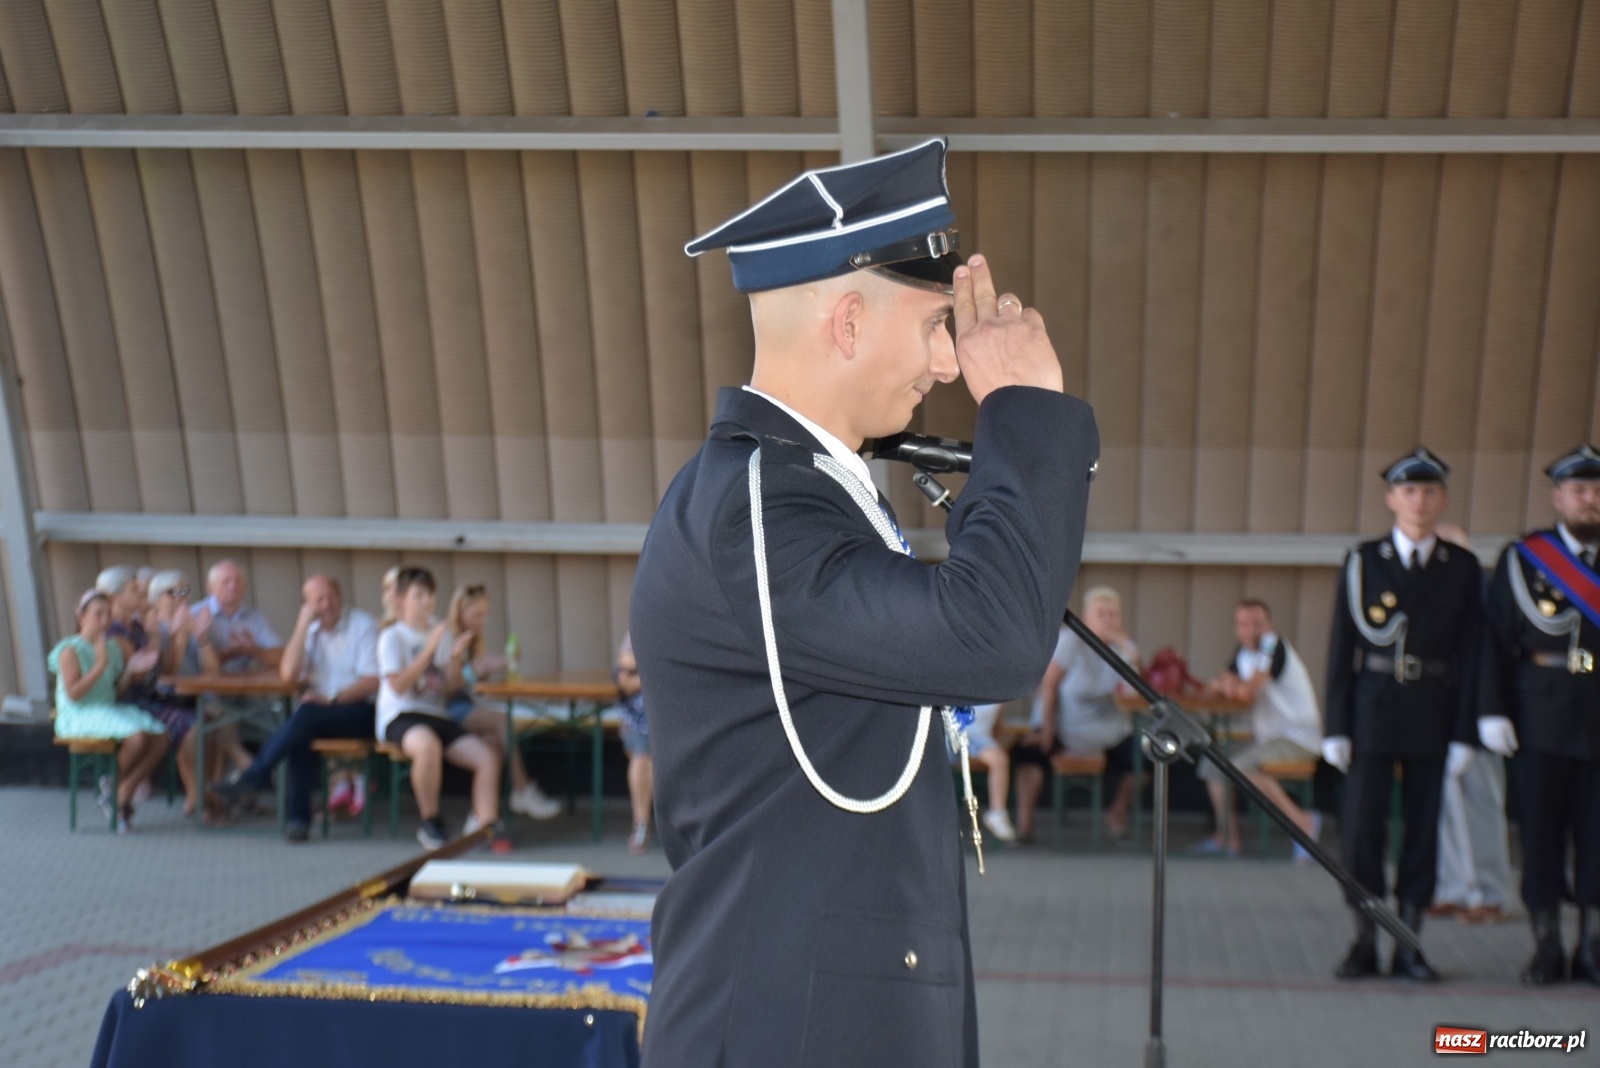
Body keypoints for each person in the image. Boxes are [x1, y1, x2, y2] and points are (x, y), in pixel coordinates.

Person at [630, 140, 1098, 1067]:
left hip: (831, 1004)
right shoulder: (758, 504)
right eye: (936, 326)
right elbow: (990, 639)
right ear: (848, 322)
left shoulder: (808, 490)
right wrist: (1023, 412)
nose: (951, 364)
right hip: (786, 1020)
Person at [1323, 447, 1482, 982]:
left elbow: (1472, 654)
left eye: (1430, 491)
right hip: (1372, 707)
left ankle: (1409, 943)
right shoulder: (1363, 561)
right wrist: (1336, 726)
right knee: (1362, 832)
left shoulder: (1461, 567)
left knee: (1422, 831)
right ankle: (1365, 940)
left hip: (1433, 709)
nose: (1419, 500)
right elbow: (1340, 648)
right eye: (1409, 491)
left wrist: (1467, 733)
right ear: (1391, 499)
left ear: (1444, 500)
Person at [1479, 444, 1600, 984]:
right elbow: (1494, 640)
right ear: (1558, 497)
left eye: (1597, 491)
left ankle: (1592, 944)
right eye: (1579, 490)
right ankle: (1547, 943)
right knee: (1541, 835)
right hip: (1539, 717)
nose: (1590, 499)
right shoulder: (1524, 558)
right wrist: (1492, 711)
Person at [211, 575, 381, 841]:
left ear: (341, 597)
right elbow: (289, 674)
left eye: (330, 598)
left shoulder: (362, 625)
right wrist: (302, 625)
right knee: (301, 733)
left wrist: (332, 700)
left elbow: (372, 680)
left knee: (306, 715)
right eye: (318, 600)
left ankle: (257, 773)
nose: (326, 605)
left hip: (360, 712)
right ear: (308, 604)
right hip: (321, 715)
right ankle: (298, 822)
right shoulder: (310, 630)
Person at [377, 567, 501, 850]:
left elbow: (449, 687)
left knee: (486, 755)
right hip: (401, 715)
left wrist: (455, 657)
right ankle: (431, 821)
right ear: (401, 600)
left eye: (430, 595)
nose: (426, 602)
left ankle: (486, 825)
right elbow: (398, 685)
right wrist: (429, 648)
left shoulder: (440, 633)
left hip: (436, 714)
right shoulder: (392, 637)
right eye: (418, 595)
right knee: (427, 745)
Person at [1428, 525, 1514, 926]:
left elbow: (1490, 658)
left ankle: (1490, 894)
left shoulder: (1485, 590)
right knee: (1445, 806)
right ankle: (1453, 889)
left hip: (1479, 712)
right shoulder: (1437, 592)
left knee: (1481, 804)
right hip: (1442, 711)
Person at [1196, 598, 1323, 857]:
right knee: (1212, 764)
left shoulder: (1272, 645)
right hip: (1269, 738)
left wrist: (1230, 686)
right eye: (1244, 624)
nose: (1250, 629)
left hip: (1299, 737)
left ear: (1269, 625)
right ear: (1236, 628)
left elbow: (1247, 693)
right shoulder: (1244, 652)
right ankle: (1227, 838)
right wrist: (1226, 684)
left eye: (1257, 623)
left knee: (1243, 767)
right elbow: (1217, 683)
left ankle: (1304, 823)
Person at [1012, 588, 1140, 844]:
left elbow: (1136, 692)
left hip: (1107, 729)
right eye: (1100, 614)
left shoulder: (1123, 649)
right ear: (1086, 617)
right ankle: (1024, 827)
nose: (1107, 620)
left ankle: (1116, 816)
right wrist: (1046, 731)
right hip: (1063, 726)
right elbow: (1048, 686)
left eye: (1112, 615)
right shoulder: (1070, 641)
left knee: (1143, 760)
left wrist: (1129, 651)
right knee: (1028, 755)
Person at [50, 590, 169, 832]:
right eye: (97, 615)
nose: (104, 621)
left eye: (108, 615)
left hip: (107, 708)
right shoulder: (70, 649)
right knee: (136, 736)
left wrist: (129, 671)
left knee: (160, 736)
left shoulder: (114, 647)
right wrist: (100, 664)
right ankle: (112, 786)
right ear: (81, 616)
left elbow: (116, 689)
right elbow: (74, 693)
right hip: (79, 713)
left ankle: (120, 793)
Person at [442, 584, 560, 821]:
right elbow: (447, 687)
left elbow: (472, 680)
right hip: (446, 709)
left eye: (484, 614)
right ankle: (522, 789)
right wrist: (476, 672)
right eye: (476, 614)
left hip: (466, 705)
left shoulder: (474, 640)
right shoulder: (447, 637)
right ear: (459, 612)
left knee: (494, 742)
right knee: (501, 721)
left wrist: (491, 668)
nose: (481, 620)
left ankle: (481, 816)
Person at [192, 559, 283, 776]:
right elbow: (199, 671)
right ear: (210, 587)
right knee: (220, 718)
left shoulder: (254, 618)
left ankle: (283, 793)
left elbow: (281, 658)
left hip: (244, 693)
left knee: (281, 724)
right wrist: (228, 654)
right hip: (203, 696)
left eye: (237, 581)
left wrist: (254, 650)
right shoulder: (195, 615)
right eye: (225, 582)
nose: (233, 586)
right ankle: (248, 775)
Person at [144, 571, 223, 817]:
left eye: (183, 592)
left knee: (217, 720)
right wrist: (179, 638)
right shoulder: (154, 629)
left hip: (190, 698)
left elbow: (212, 672)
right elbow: (165, 676)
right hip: (159, 699)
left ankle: (208, 792)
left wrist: (201, 639)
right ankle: (198, 797)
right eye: (172, 593)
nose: (179, 598)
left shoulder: (190, 621)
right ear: (156, 600)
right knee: (195, 727)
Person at [612, 632, 652, 853]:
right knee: (643, 754)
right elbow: (623, 679)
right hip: (639, 721)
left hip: (677, 718)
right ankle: (642, 825)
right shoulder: (638, 629)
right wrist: (653, 674)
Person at [955, 702, 1014, 843]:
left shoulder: (1001, 694)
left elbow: (997, 726)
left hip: (980, 740)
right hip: (951, 736)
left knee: (1000, 760)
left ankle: (997, 814)